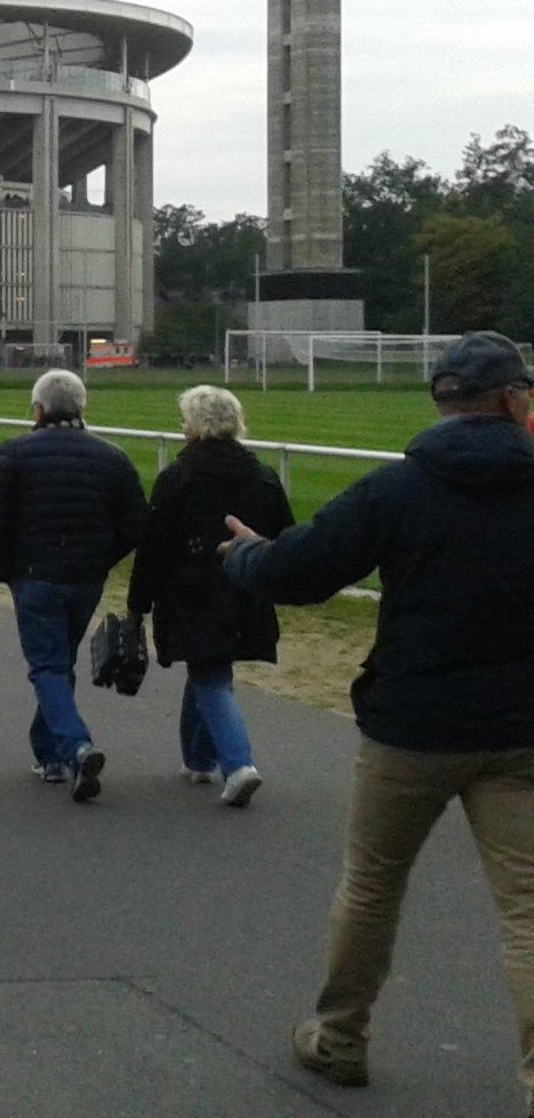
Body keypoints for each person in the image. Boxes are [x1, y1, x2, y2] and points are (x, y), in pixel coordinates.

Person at [218, 331, 534, 1107]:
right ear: (510, 400)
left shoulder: (397, 487)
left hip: (410, 724)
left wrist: (246, 556)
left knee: (370, 886)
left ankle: (339, 1036)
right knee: (526, 908)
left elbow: (299, 571)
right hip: (517, 727)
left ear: (441, 402)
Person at [0, 367, 146, 802]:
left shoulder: (14, 452)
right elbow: (135, 521)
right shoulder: (112, 456)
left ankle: (75, 747)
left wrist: (6, 567)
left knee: (48, 666)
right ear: (81, 407)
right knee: (59, 661)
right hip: (84, 577)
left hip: (35, 573)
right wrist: (101, 558)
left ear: (38, 409)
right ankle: (49, 754)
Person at [128, 383, 289, 805]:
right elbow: (284, 535)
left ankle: (238, 764)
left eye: (185, 421)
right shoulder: (264, 476)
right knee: (209, 665)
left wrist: (137, 605)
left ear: (198, 427)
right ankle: (198, 759)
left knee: (210, 674)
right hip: (248, 588)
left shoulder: (177, 478)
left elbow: (154, 548)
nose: (182, 428)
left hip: (193, 590)